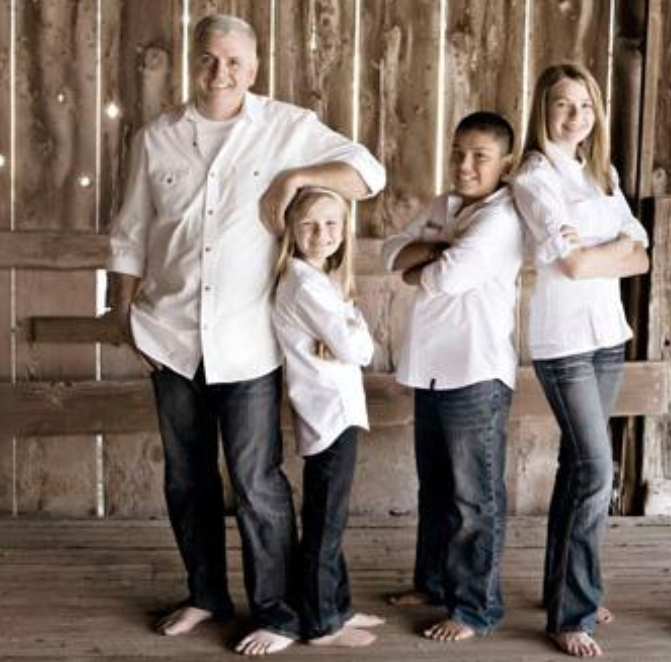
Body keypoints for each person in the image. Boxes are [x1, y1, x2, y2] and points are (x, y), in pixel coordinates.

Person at [105, 13, 385, 656]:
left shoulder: (286, 129)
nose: (220, 73)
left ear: (254, 68)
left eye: (234, 62)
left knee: (258, 481)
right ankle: (205, 594)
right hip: (168, 335)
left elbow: (369, 172)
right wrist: (123, 315)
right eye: (208, 59)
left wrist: (291, 180)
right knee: (186, 478)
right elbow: (128, 233)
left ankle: (278, 611)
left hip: (246, 341)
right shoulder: (157, 138)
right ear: (191, 60)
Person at [511, 63, 649, 658]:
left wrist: (607, 250)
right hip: (564, 341)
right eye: (563, 105)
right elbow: (570, 265)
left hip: (607, 335)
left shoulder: (602, 173)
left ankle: (565, 588)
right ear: (543, 109)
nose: (575, 117)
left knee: (578, 466)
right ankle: (573, 612)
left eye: (585, 106)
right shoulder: (534, 176)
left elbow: (642, 254)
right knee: (598, 470)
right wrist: (612, 248)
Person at [381, 111, 523, 642]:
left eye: (479, 156)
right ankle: (434, 582)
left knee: (474, 498)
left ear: (505, 165)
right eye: (458, 152)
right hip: (431, 370)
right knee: (437, 489)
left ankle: (474, 609)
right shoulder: (445, 206)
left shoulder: (502, 217)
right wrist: (431, 253)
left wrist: (429, 259)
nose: (465, 164)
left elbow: (442, 278)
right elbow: (390, 251)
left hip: (476, 371)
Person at [271, 187, 384, 651]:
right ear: (291, 233)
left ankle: (337, 605)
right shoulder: (305, 284)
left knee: (331, 517)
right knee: (324, 522)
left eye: (333, 224)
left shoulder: (322, 282)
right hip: (328, 413)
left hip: (336, 410)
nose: (322, 234)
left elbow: (354, 346)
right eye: (310, 225)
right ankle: (321, 623)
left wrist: (345, 330)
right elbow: (361, 349)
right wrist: (349, 331)